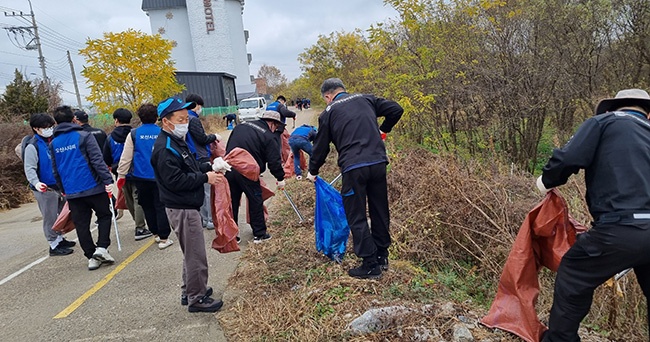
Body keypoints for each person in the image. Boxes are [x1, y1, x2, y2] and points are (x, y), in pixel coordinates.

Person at [537, 89, 650, 341]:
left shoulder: (603, 123)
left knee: (574, 273)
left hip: (618, 229)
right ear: (647, 112)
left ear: (613, 108)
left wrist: (546, 180)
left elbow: (569, 158)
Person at [307, 78, 403, 279]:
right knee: (379, 210)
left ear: (327, 96)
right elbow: (396, 109)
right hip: (378, 163)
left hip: (353, 168)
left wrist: (313, 170)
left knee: (356, 214)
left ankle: (369, 264)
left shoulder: (329, 112)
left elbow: (321, 147)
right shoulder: (366, 99)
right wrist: (383, 130)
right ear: (343, 89)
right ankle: (382, 256)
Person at [151, 96, 223, 312]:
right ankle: (196, 298)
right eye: (181, 119)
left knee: (190, 252)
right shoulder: (165, 149)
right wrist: (205, 178)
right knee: (196, 255)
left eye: (186, 119)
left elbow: (188, 167)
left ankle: (189, 290)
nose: (185, 123)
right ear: (166, 121)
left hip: (186, 205)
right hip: (181, 207)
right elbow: (175, 181)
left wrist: (209, 166)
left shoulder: (176, 142)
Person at [50, 106, 115, 271]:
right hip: (93, 186)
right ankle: (101, 248)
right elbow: (97, 160)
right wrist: (107, 180)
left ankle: (91, 256)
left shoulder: (54, 143)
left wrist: (62, 188)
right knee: (104, 215)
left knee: (81, 224)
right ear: (73, 119)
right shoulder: (84, 136)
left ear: (56, 122)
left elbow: (55, 169)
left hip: (71, 191)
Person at [116, 103, 173, 250]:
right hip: (160, 176)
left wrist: (121, 175)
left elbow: (126, 157)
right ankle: (164, 237)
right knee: (160, 206)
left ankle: (154, 233)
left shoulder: (134, 134)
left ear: (140, 117)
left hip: (140, 176)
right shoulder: (163, 132)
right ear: (157, 117)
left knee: (147, 205)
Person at [224, 110, 286, 243]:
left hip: (228, 167)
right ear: (272, 123)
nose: (275, 129)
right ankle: (259, 234)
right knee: (255, 199)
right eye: (276, 126)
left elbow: (229, 147)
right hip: (247, 171)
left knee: (232, 202)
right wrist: (280, 178)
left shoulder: (241, 126)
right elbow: (274, 162)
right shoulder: (268, 136)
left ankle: (232, 236)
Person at [23, 113, 76, 256]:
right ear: (36, 129)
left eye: (51, 126)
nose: (49, 129)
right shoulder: (32, 146)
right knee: (50, 216)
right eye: (45, 127)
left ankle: (59, 238)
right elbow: (30, 168)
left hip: (59, 185)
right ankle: (53, 244)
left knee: (62, 214)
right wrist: (36, 182)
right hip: (45, 188)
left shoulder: (54, 141)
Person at [103, 108, 151, 241]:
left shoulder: (110, 138)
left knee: (128, 197)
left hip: (120, 171)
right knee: (138, 198)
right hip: (137, 171)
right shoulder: (135, 134)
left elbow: (106, 157)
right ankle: (140, 227)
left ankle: (137, 221)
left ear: (116, 120)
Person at [185, 93, 221, 230]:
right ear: (195, 105)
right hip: (200, 157)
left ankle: (204, 219)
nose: (200, 109)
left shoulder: (182, 118)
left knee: (198, 187)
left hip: (191, 158)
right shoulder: (193, 119)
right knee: (207, 188)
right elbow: (201, 139)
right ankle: (210, 219)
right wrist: (213, 137)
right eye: (200, 106)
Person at [266, 95, 296, 163]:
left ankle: (275, 161)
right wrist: (293, 114)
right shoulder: (280, 105)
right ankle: (286, 162)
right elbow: (285, 113)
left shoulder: (269, 106)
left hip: (268, 129)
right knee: (284, 145)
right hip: (278, 128)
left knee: (274, 146)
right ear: (282, 101)